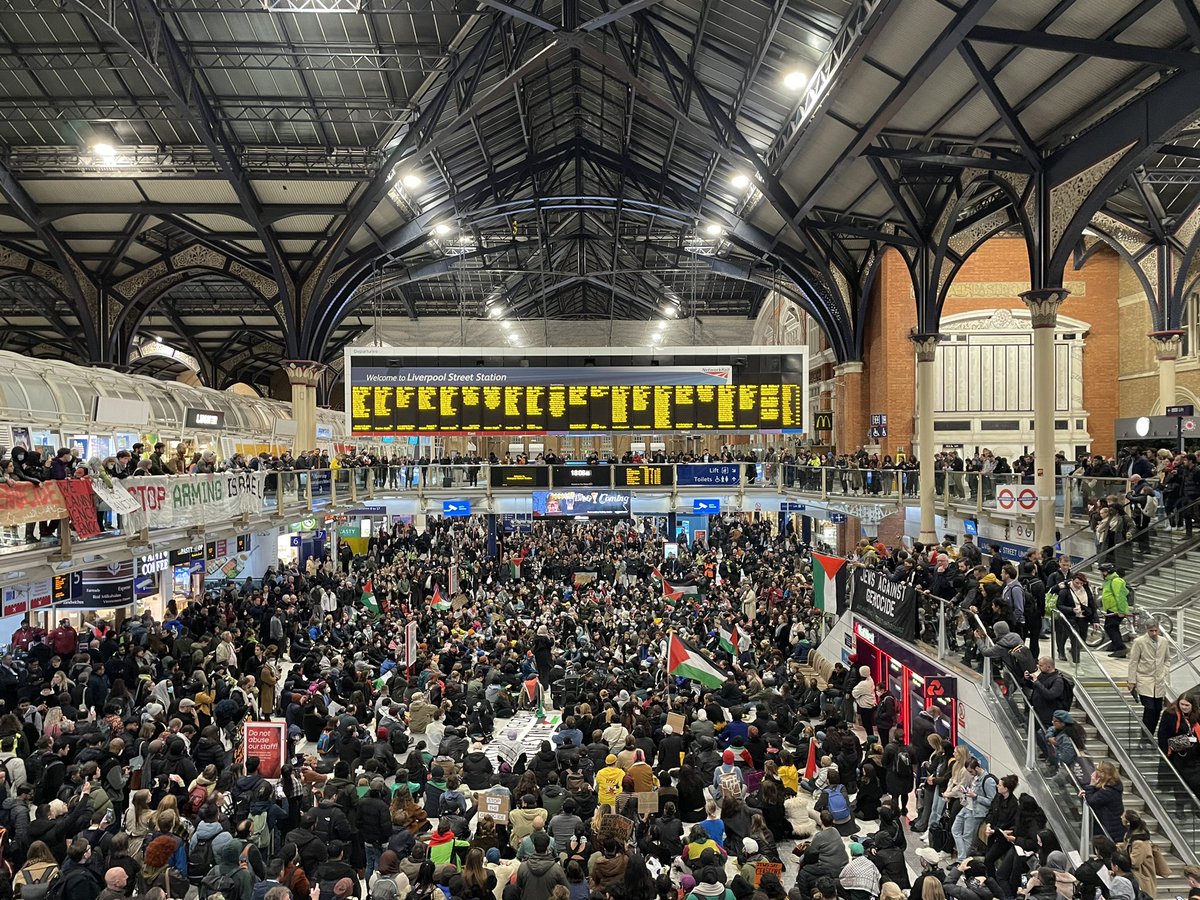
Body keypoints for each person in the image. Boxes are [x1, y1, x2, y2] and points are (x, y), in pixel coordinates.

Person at [1127, 621, 1170, 736]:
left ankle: (1150, 734)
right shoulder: (1139, 642)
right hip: (1144, 679)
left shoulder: (1164, 641)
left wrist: (1164, 671)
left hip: (1159, 680)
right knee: (1149, 708)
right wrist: (1131, 681)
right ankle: (1146, 735)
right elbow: (1133, 662)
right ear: (1147, 630)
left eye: (1156, 630)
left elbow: (1167, 659)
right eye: (1151, 631)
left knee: (1157, 709)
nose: (1154, 633)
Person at [1081, 761, 1126, 842]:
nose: (1094, 773)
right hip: (1112, 827)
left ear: (1103, 774)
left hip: (1109, 829)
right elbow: (1096, 796)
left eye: (1097, 770)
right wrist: (1088, 791)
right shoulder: (1113, 787)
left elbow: (1092, 800)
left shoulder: (1108, 791)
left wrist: (1091, 785)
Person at [1099, 563, 1129, 658]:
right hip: (1111, 609)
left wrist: (1121, 611)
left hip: (1116, 610)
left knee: (1110, 627)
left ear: (1106, 572)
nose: (1101, 574)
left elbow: (1120, 597)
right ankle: (1115, 646)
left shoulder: (1116, 581)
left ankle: (1120, 648)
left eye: (1102, 572)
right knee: (1112, 627)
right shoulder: (1109, 581)